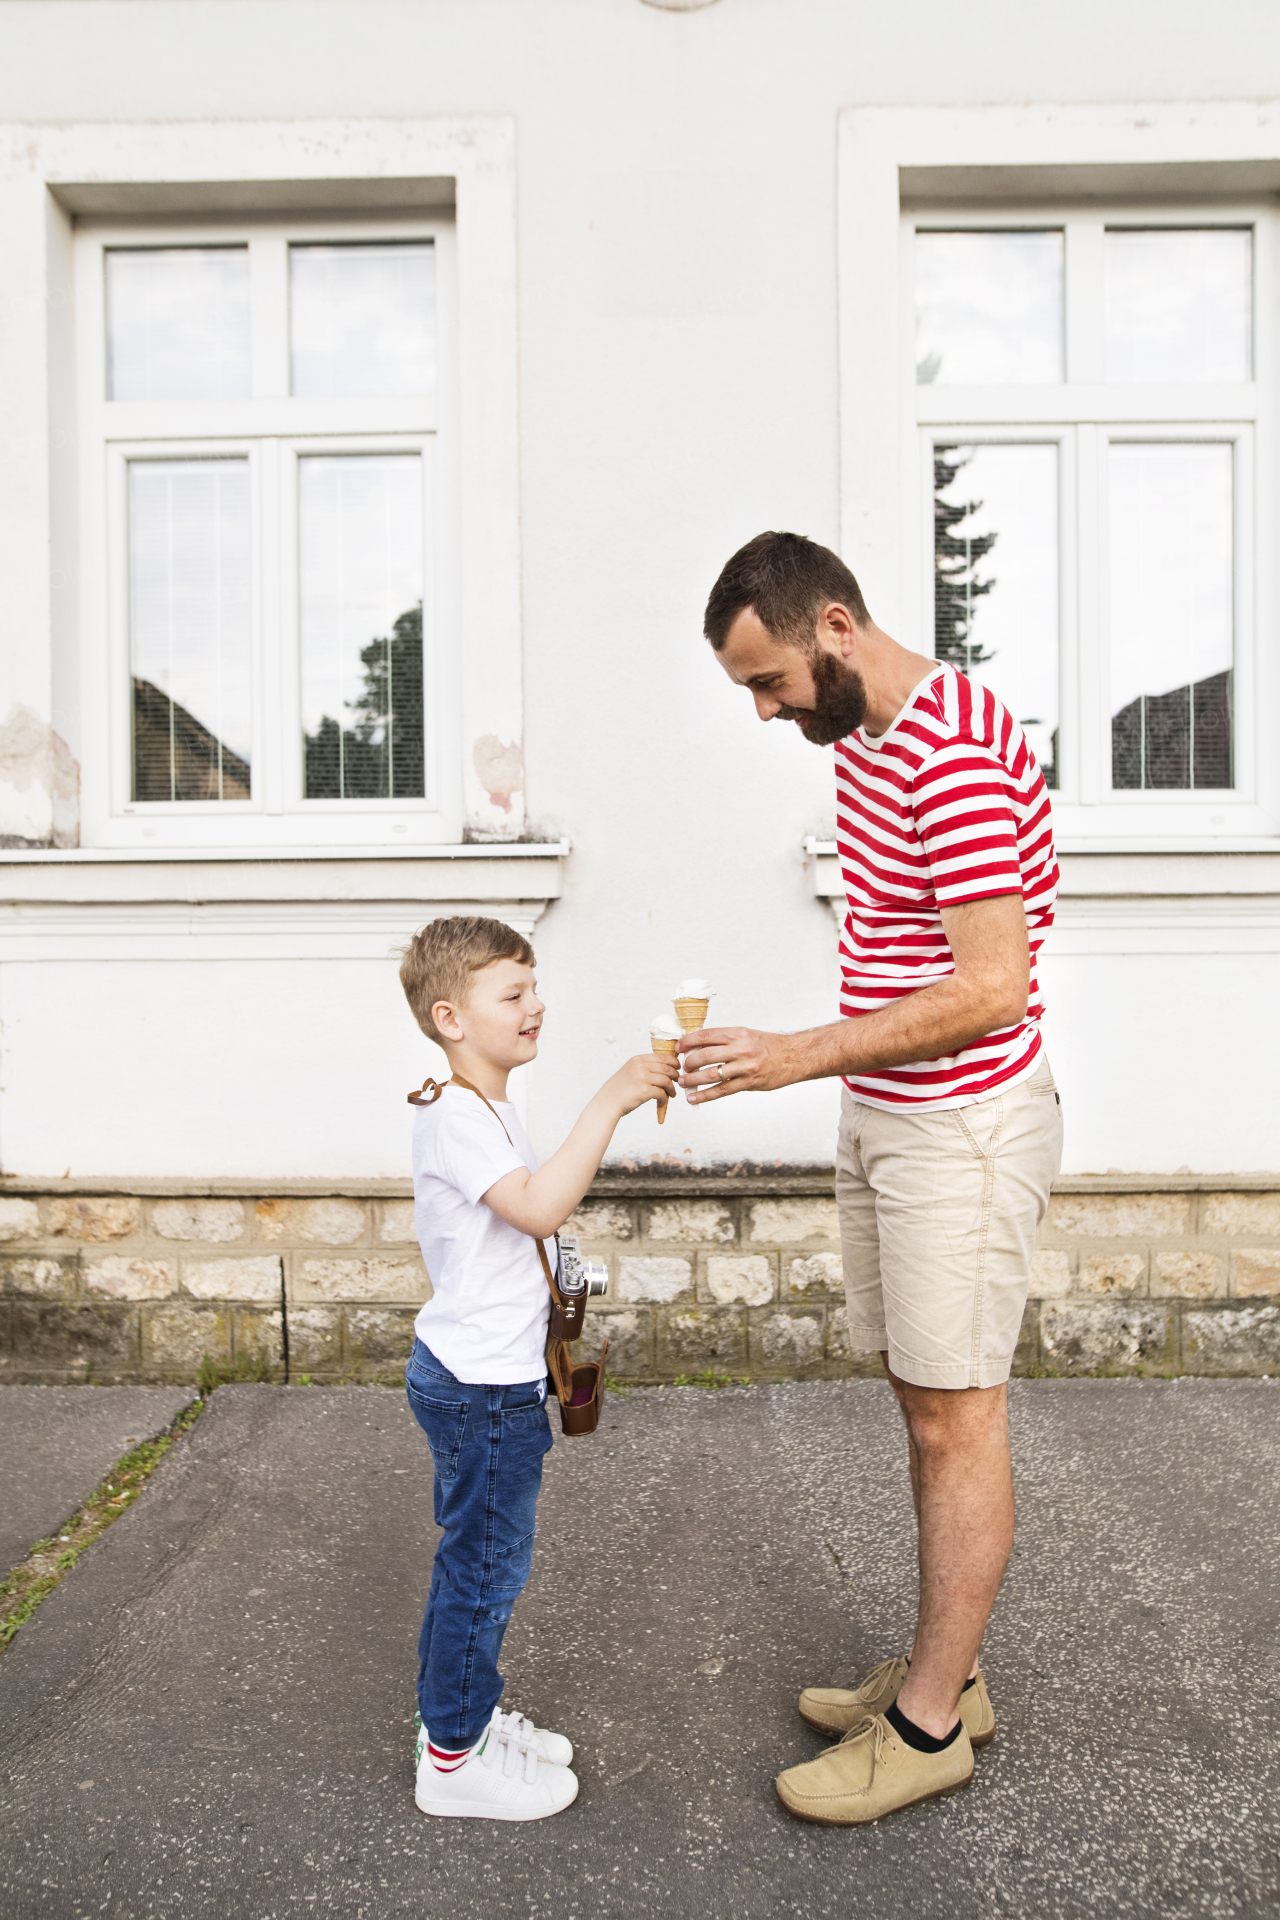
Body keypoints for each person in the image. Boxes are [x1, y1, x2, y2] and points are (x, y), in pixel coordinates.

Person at [678, 530, 1063, 1825]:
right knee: (924, 1402)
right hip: (894, 1117)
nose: (766, 708)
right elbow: (914, 953)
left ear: (835, 625)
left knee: (960, 1417)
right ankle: (946, 1667)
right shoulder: (870, 744)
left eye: (769, 680)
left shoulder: (945, 753)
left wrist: (797, 1055)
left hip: (959, 1132)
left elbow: (992, 984)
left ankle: (930, 1723)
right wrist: (826, 1069)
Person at [398, 915, 676, 1822]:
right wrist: (611, 1100)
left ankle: (463, 1724)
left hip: (487, 1375)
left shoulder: (483, 1107)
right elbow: (538, 1203)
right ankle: (451, 1761)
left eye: (533, 986)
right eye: (511, 994)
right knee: (483, 1572)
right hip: (483, 1390)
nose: (535, 1005)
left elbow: (517, 1230)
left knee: (477, 1564)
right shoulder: (456, 1116)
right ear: (450, 1016)